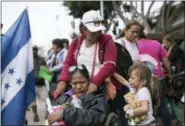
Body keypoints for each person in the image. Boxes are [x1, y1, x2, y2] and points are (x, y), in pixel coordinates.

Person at [54, 10, 117, 97]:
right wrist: (63, 80)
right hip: (79, 87)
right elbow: (68, 63)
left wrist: (96, 82)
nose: (98, 34)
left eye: (99, 31)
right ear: (84, 30)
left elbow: (110, 64)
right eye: (93, 32)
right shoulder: (76, 42)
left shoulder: (107, 40)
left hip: (100, 87)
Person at [137, 28, 172, 126]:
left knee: (146, 106)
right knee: (162, 105)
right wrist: (169, 73)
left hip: (142, 82)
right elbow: (166, 61)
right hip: (158, 79)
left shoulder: (134, 46)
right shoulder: (156, 43)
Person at [30, 45, 48, 122]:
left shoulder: (42, 59)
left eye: (35, 50)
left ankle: (48, 114)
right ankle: (35, 115)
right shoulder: (27, 60)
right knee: (32, 102)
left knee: (47, 100)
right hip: (31, 85)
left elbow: (45, 70)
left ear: (37, 50)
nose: (34, 51)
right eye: (32, 50)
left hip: (41, 84)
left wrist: (44, 77)